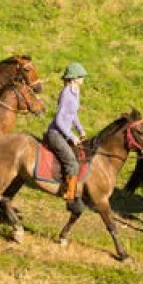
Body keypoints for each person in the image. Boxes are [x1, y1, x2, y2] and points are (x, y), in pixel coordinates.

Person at [45, 63, 89, 201]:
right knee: (72, 163)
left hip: (64, 133)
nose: (83, 78)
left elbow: (73, 114)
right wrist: (72, 136)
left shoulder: (75, 91)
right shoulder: (66, 93)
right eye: (81, 76)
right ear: (74, 77)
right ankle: (69, 194)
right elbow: (59, 120)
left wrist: (80, 130)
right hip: (56, 134)